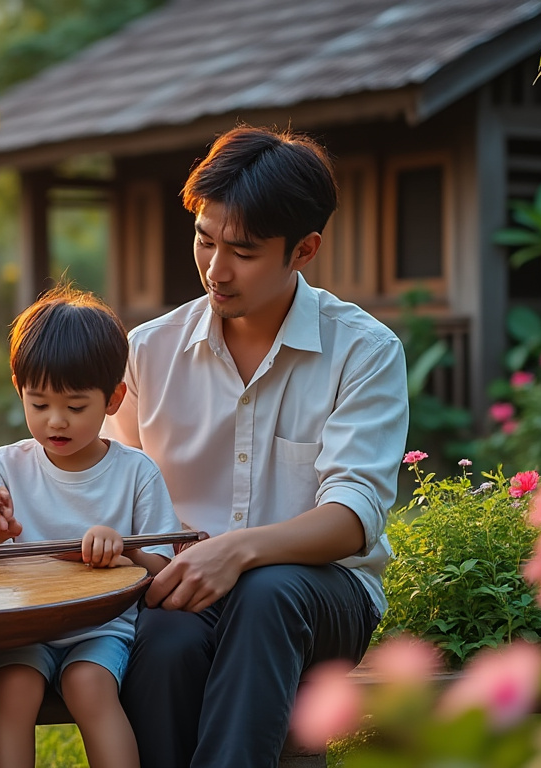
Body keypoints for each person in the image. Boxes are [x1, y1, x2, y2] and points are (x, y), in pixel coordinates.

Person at [104, 126, 410, 767]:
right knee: (163, 644)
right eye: (204, 240)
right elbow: (111, 491)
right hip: (183, 588)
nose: (216, 269)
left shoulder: (363, 350)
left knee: (268, 593)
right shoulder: (150, 352)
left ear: (304, 249)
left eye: (241, 251)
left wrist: (237, 553)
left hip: (321, 597)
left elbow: (353, 518)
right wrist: (160, 562)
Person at [0, 285, 181, 768]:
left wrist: (126, 553)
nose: (56, 421)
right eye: (39, 404)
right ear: (19, 389)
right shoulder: (7, 465)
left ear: (114, 399)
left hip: (99, 625)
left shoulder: (136, 471)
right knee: (13, 691)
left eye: (76, 407)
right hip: (19, 625)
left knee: (89, 686)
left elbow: (163, 566)